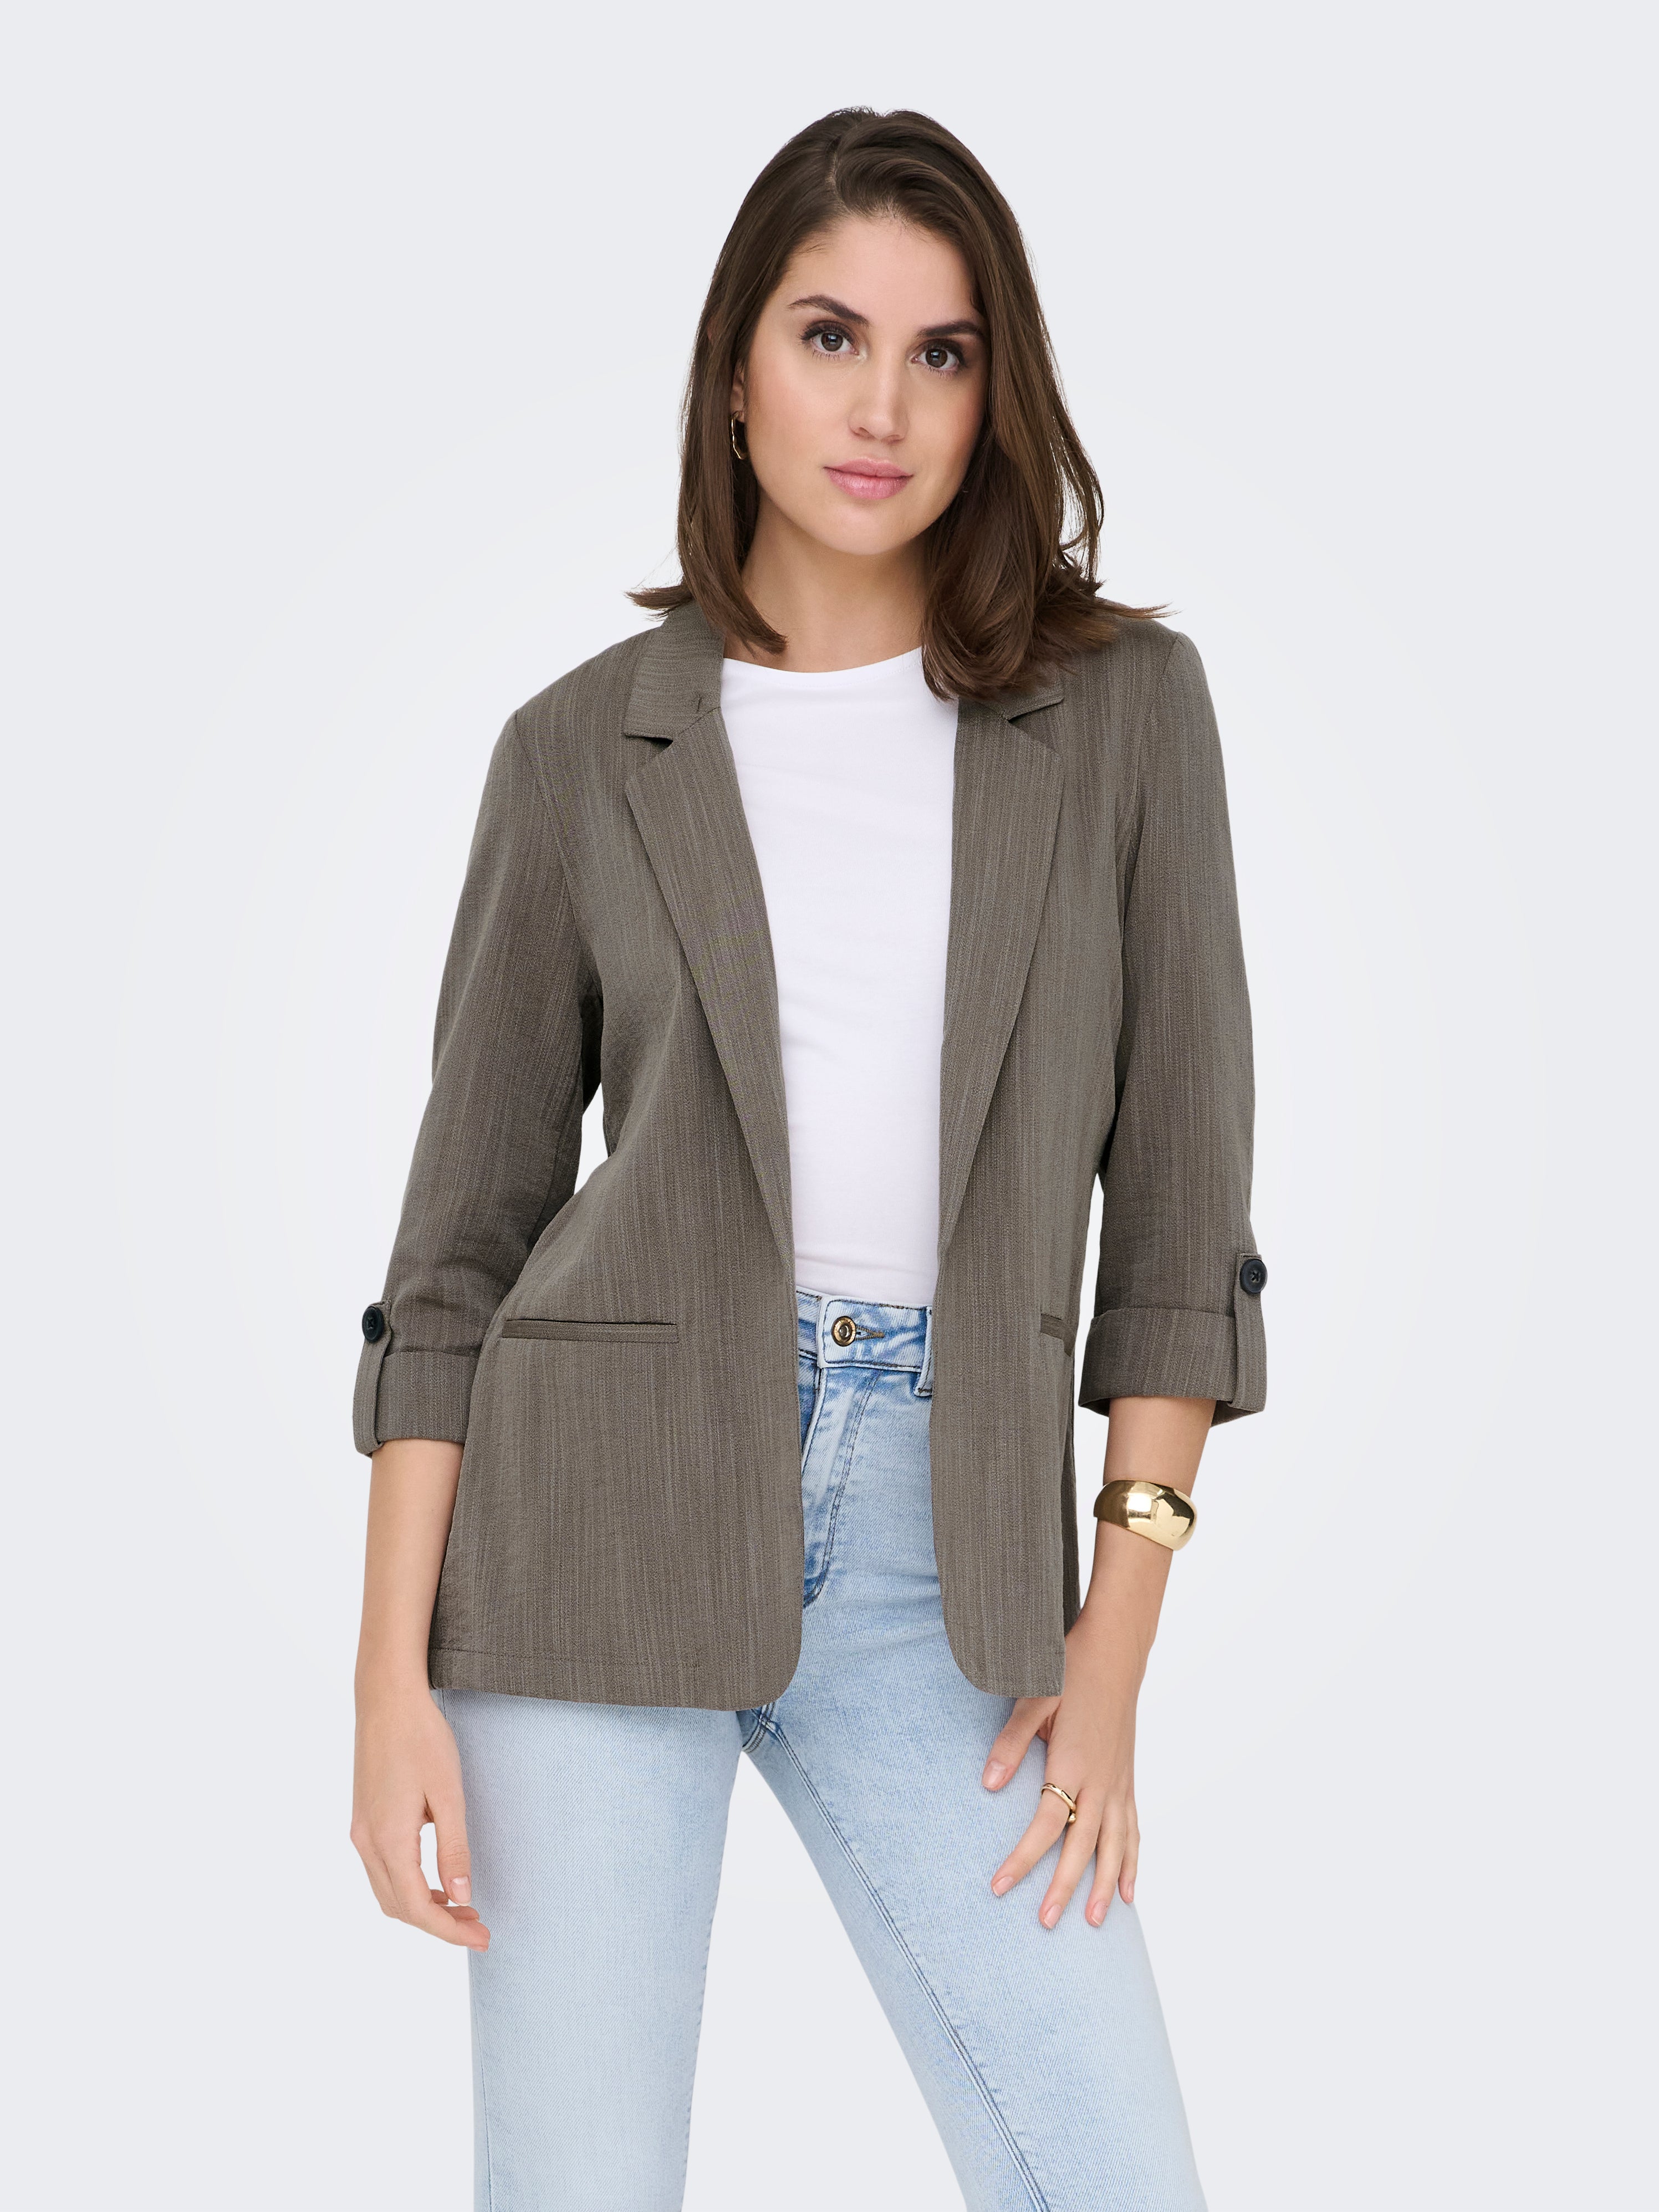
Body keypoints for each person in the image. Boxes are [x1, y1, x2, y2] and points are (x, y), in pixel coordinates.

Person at [350, 105, 1265, 2212]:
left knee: (1109, 2176)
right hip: (589, 1530)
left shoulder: (1126, 714)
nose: (882, 407)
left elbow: (1179, 1227)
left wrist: (1111, 1658)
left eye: (942, 354)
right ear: (736, 369)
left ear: (994, 394)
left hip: (953, 1551)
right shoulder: (579, 748)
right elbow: (457, 1256)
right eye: (830, 336)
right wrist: (388, 1680)